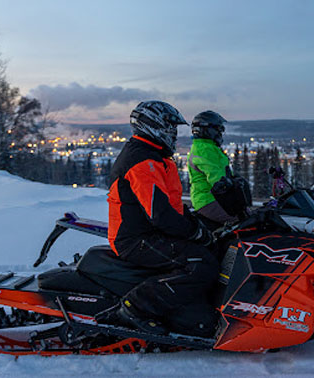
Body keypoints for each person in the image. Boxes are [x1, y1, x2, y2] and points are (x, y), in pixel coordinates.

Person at [97, 101, 219, 337]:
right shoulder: (143, 161)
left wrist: (198, 225)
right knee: (201, 263)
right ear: (153, 126)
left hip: (148, 232)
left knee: (213, 247)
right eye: (170, 127)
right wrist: (195, 232)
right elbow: (160, 215)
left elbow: (170, 206)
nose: (173, 134)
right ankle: (136, 308)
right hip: (136, 239)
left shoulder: (153, 156)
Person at [187, 110, 238, 226]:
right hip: (208, 200)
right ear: (209, 130)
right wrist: (231, 185)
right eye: (219, 129)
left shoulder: (208, 147)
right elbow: (217, 179)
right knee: (240, 220)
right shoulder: (204, 150)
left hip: (213, 199)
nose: (220, 133)